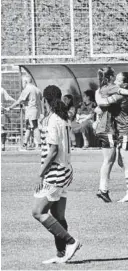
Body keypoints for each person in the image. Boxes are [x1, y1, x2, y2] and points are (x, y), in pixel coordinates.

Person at [31, 85, 81, 264]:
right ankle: (62, 255)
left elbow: (52, 150)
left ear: (45, 100)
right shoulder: (63, 117)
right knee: (58, 216)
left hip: (56, 171)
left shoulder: (53, 119)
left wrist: (40, 174)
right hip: (65, 169)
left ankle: (71, 241)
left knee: (38, 212)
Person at [95, 72, 128, 202]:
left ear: (124, 84)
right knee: (121, 162)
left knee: (127, 163)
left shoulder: (119, 96)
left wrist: (97, 94)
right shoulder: (125, 94)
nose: (115, 83)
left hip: (126, 131)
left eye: (118, 80)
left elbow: (101, 104)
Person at [94, 66, 119, 202]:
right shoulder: (110, 89)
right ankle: (103, 189)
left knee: (113, 159)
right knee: (108, 160)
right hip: (107, 128)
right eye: (113, 75)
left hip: (105, 128)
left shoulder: (99, 90)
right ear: (109, 77)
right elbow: (100, 104)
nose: (115, 78)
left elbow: (99, 107)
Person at [6, 74, 43, 150]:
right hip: (35, 110)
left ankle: (39, 145)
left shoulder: (27, 89)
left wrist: (10, 108)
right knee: (28, 128)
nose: (22, 84)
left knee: (35, 127)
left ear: (25, 82)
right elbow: (41, 99)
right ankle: (25, 144)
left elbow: (19, 101)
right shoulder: (37, 89)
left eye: (22, 82)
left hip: (30, 111)